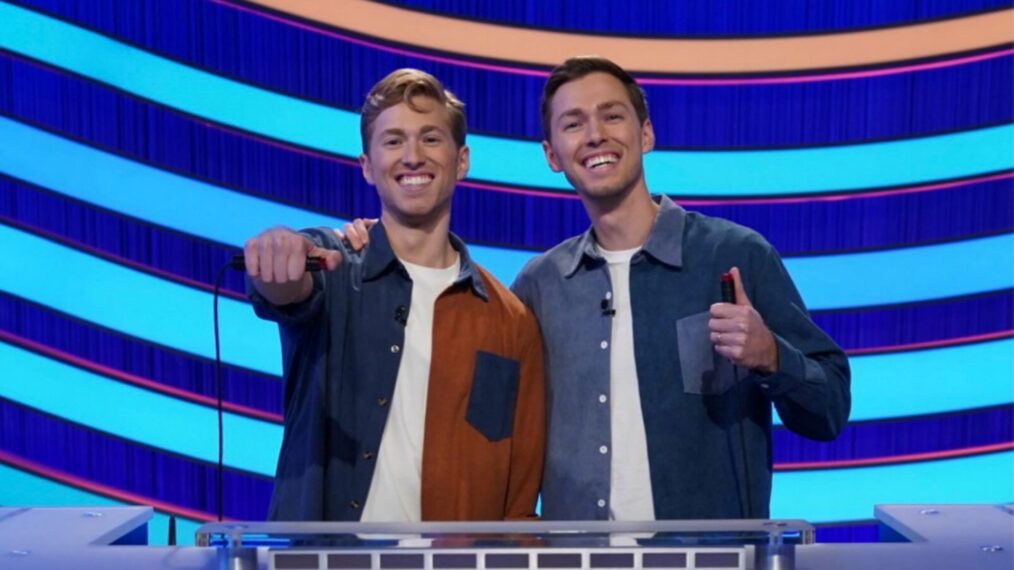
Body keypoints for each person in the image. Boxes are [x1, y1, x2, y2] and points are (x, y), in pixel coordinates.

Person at [341, 57, 851, 521]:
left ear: (645, 133)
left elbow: (829, 412)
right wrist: (382, 246)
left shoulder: (733, 256)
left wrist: (772, 357)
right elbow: (491, 440)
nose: (594, 135)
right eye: (573, 124)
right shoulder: (537, 289)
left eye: (612, 116)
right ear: (552, 155)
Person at [244, 68, 545, 521]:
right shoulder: (331, 265)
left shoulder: (510, 321)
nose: (412, 156)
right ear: (367, 166)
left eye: (430, 138)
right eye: (393, 141)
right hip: (324, 553)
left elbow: (518, 502)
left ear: (462, 160)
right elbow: (285, 289)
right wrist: (277, 254)